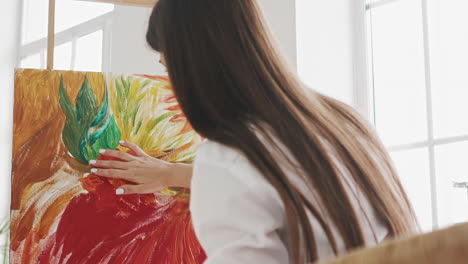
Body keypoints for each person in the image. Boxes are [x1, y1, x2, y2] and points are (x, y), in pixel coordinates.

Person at [90, 0, 419, 263]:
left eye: (168, 66)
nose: (170, 84)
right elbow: (287, 177)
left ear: (193, 64)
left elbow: (250, 174)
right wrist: (171, 173)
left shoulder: (227, 157)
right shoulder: (345, 121)